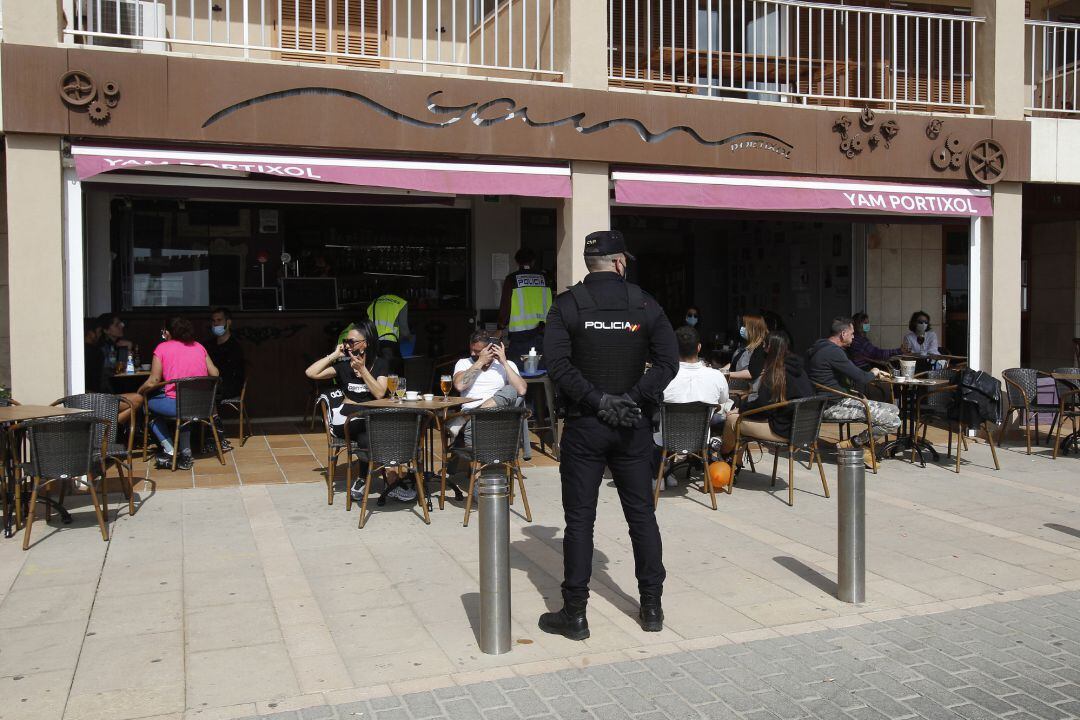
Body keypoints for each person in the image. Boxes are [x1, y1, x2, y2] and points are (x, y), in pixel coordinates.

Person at [540, 229, 679, 640]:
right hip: (632, 425)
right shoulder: (644, 303)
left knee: (580, 521)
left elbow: (557, 366)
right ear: (619, 262)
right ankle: (651, 607)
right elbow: (669, 363)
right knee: (641, 516)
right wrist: (631, 398)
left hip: (586, 425)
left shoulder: (567, 305)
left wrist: (600, 401)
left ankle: (575, 613)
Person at [305, 320, 413, 502]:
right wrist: (334, 354)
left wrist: (363, 370)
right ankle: (392, 479)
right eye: (346, 341)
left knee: (366, 435)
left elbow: (379, 393)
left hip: (367, 421)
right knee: (379, 429)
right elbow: (311, 373)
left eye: (352, 341)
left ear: (366, 343)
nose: (348, 345)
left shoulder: (380, 364)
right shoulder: (343, 365)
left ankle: (363, 479)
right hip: (345, 419)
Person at [806, 317, 901, 463]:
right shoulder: (833, 352)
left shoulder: (820, 348)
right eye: (852, 333)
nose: (853, 336)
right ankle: (855, 444)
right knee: (893, 421)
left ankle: (863, 446)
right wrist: (874, 372)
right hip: (832, 406)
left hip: (825, 402)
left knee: (894, 410)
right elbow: (861, 377)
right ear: (843, 333)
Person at [139, 317, 219, 470]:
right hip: (203, 405)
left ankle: (170, 450)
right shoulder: (199, 346)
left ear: (168, 332)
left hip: (177, 406)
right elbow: (214, 373)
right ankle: (186, 452)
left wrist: (140, 392)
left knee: (147, 406)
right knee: (183, 414)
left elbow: (153, 380)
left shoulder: (162, 348)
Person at [657, 325, 730, 487]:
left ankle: (659, 472)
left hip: (665, 438)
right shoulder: (716, 376)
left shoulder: (662, 375)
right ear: (699, 347)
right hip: (701, 439)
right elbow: (724, 400)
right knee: (722, 417)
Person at [720, 332, 812, 456]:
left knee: (732, 420)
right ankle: (734, 461)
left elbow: (763, 407)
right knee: (742, 417)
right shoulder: (799, 371)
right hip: (805, 430)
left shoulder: (776, 373)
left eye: (764, 345)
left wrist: (741, 410)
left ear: (769, 348)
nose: (762, 349)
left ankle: (724, 457)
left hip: (783, 430)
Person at [447, 331, 527, 448]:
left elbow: (522, 390)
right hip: (473, 417)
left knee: (510, 390)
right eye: (471, 349)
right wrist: (480, 361)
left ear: (490, 349)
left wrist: (504, 362)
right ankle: (470, 419)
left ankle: (465, 418)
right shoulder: (464, 363)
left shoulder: (506, 364)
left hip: (497, 415)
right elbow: (459, 386)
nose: (472, 353)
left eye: (477, 351)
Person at [498, 247, 553, 363]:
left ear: (517, 262)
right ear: (533, 261)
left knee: (517, 368)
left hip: (519, 333)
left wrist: (501, 326)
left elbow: (505, 305)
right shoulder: (545, 278)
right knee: (539, 367)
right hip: (542, 330)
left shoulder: (512, 279)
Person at [86, 317, 144, 426]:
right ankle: (108, 427)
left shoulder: (115, 345)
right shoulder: (98, 350)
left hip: (104, 391)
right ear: (105, 330)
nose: (122, 326)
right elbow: (110, 368)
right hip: (97, 395)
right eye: (117, 324)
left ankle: (108, 427)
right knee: (138, 399)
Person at [206, 307, 244, 452]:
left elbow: (234, 373)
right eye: (213, 321)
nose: (216, 324)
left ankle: (215, 436)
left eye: (219, 320)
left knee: (208, 395)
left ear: (228, 322)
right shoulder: (208, 345)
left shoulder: (235, 347)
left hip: (229, 385)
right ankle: (210, 435)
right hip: (209, 384)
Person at [366, 289, 413, 371]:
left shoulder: (374, 302)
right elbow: (404, 331)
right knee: (396, 375)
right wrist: (409, 338)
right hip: (390, 345)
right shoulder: (401, 302)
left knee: (377, 373)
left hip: (374, 344)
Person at [722, 313, 768, 384]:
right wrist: (720, 371)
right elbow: (733, 364)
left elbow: (752, 373)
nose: (741, 328)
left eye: (744, 326)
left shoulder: (761, 347)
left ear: (753, 328)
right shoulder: (746, 344)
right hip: (739, 385)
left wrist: (727, 374)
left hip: (751, 391)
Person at [84, 318, 108, 394]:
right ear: (91, 333)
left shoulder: (78, 351)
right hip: (95, 396)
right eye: (99, 332)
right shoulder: (95, 353)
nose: (100, 335)